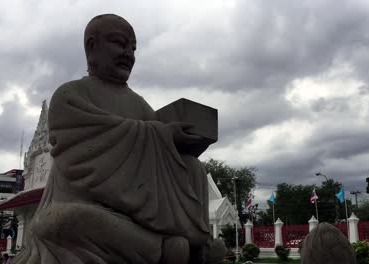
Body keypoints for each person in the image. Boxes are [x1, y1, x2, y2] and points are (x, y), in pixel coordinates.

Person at [13, 14, 224, 264]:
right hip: (83, 208)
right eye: (119, 43)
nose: (128, 54)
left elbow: (152, 153)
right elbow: (86, 151)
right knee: (61, 222)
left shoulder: (140, 106)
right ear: (92, 46)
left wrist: (178, 143)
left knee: (192, 166)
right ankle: (162, 248)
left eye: (133, 48)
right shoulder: (70, 95)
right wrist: (163, 135)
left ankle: (191, 241)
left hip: (135, 220)